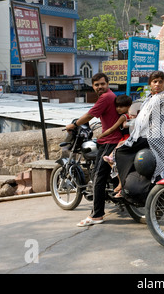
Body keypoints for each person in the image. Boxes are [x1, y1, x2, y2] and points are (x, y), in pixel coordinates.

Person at [65, 72, 122, 227]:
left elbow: (89, 115)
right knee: (106, 174)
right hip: (114, 139)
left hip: (110, 141)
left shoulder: (105, 97)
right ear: (93, 86)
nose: (100, 87)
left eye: (102, 84)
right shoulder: (111, 96)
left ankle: (97, 215)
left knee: (98, 177)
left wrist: (74, 124)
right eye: (96, 85)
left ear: (107, 84)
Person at [98, 94, 133, 198]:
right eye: (117, 106)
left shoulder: (123, 117)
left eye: (121, 106)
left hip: (125, 140)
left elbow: (112, 129)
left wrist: (101, 135)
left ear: (128, 106)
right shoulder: (133, 116)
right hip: (130, 139)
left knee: (110, 159)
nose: (118, 109)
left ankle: (120, 182)